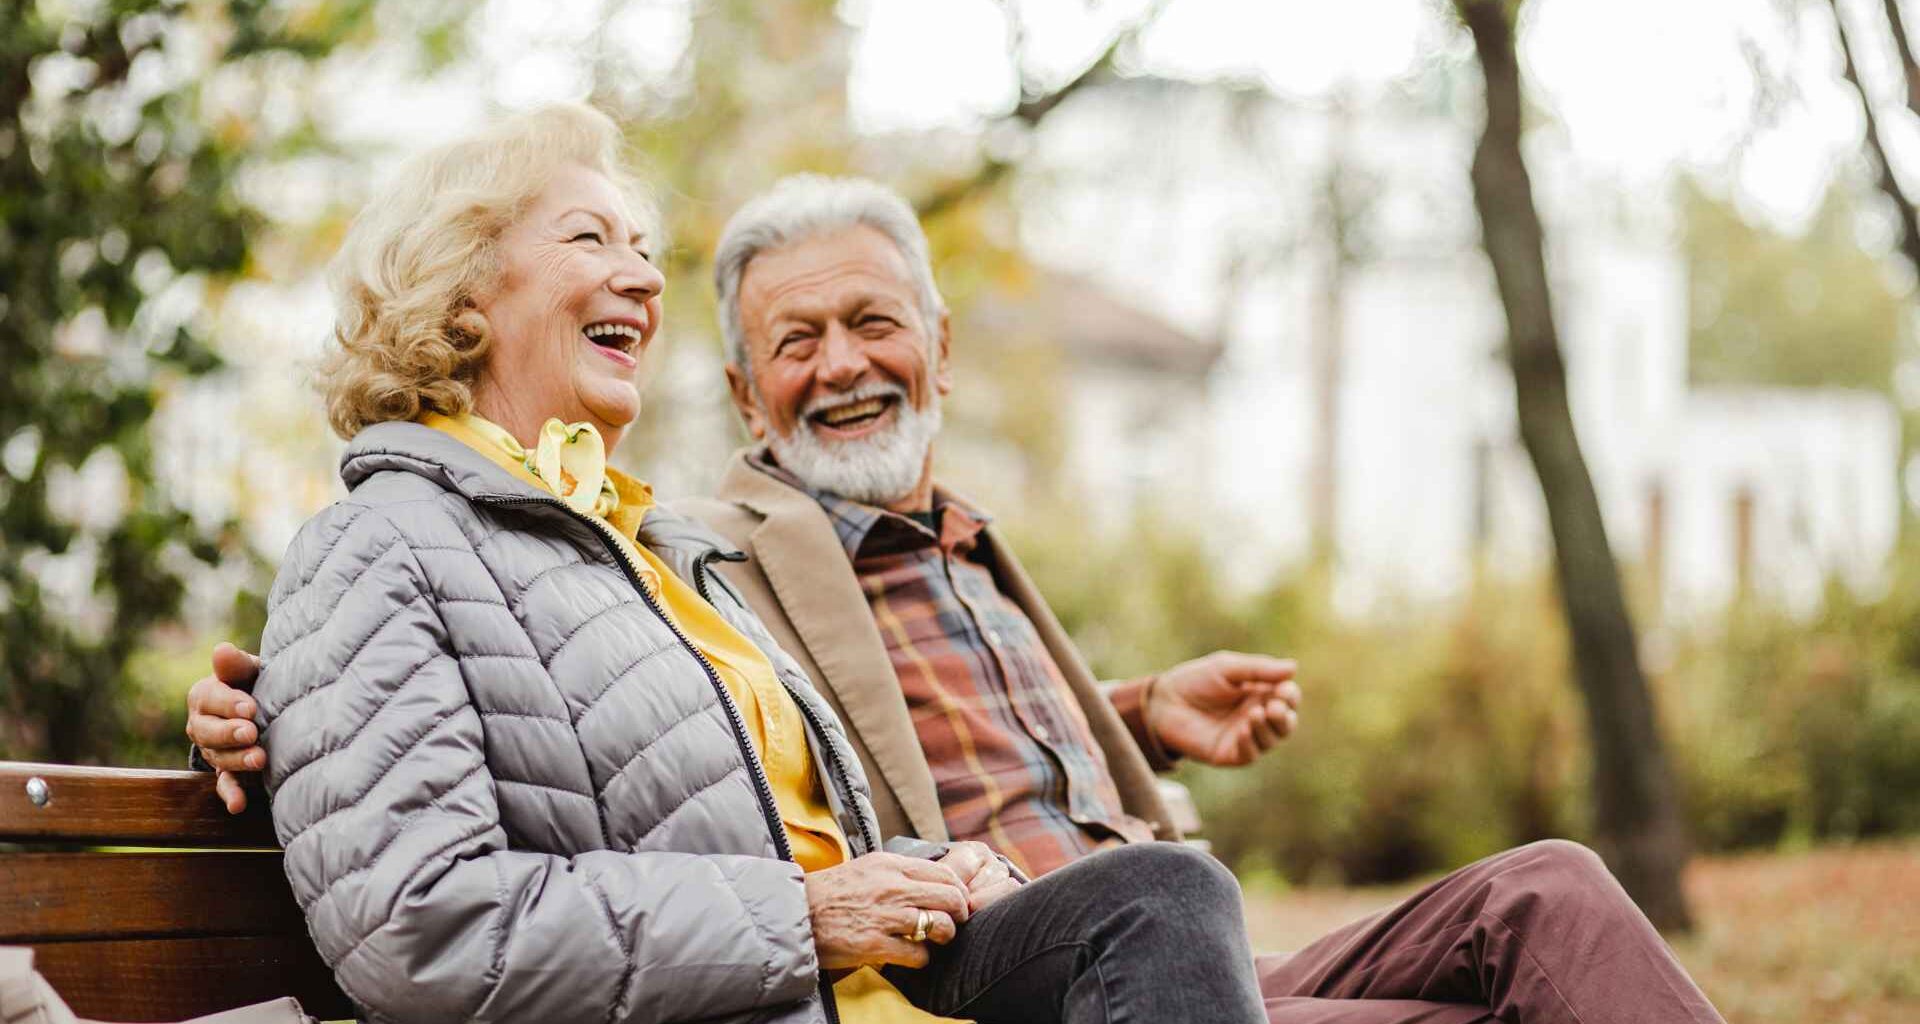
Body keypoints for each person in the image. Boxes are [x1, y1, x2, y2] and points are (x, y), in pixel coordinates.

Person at [193, 165, 1726, 1022]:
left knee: (1551, 892)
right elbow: (411, 737)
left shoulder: (906, 542)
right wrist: (243, 706)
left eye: (875, 324)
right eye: (797, 343)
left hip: (1159, 940)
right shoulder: (716, 538)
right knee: (1175, 908)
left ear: (943, 342)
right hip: (1006, 959)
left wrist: (1138, 718)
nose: (843, 365)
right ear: (740, 389)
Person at [233, 103, 1267, 1024]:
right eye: (590, 238)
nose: (641, 274)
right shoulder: (377, 543)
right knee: (1165, 899)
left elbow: (754, 847)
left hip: (868, 995)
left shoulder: (641, 548)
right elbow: (421, 929)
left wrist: (922, 875)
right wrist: (807, 918)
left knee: (1165, 891)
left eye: (641, 246)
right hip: (796, 991)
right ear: (462, 297)